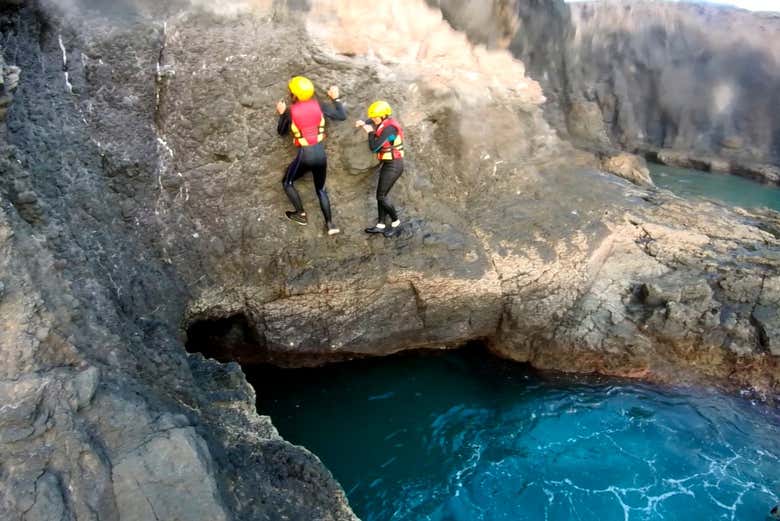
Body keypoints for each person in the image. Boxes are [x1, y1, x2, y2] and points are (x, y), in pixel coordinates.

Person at [276, 75, 346, 235]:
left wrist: (281, 114)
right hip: (321, 156)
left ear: (294, 95)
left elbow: (281, 132)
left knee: (287, 182)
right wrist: (335, 99)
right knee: (321, 189)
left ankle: (300, 214)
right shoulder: (319, 105)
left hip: (306, 156)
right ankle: (330, 225)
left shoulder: (290, 112)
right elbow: (341, 115)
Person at [355, 100, 405, 237]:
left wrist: (370, 132)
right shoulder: (383, 121)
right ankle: (381, 225)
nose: (373, 119)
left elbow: (374, 147)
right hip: (388, 164)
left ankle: (397, 223)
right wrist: (364, 122)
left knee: (382, 196)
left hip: (394, 165)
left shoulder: (390, 128)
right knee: (380, 196)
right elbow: (371, 120)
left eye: (375, 117)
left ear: (383, 116)